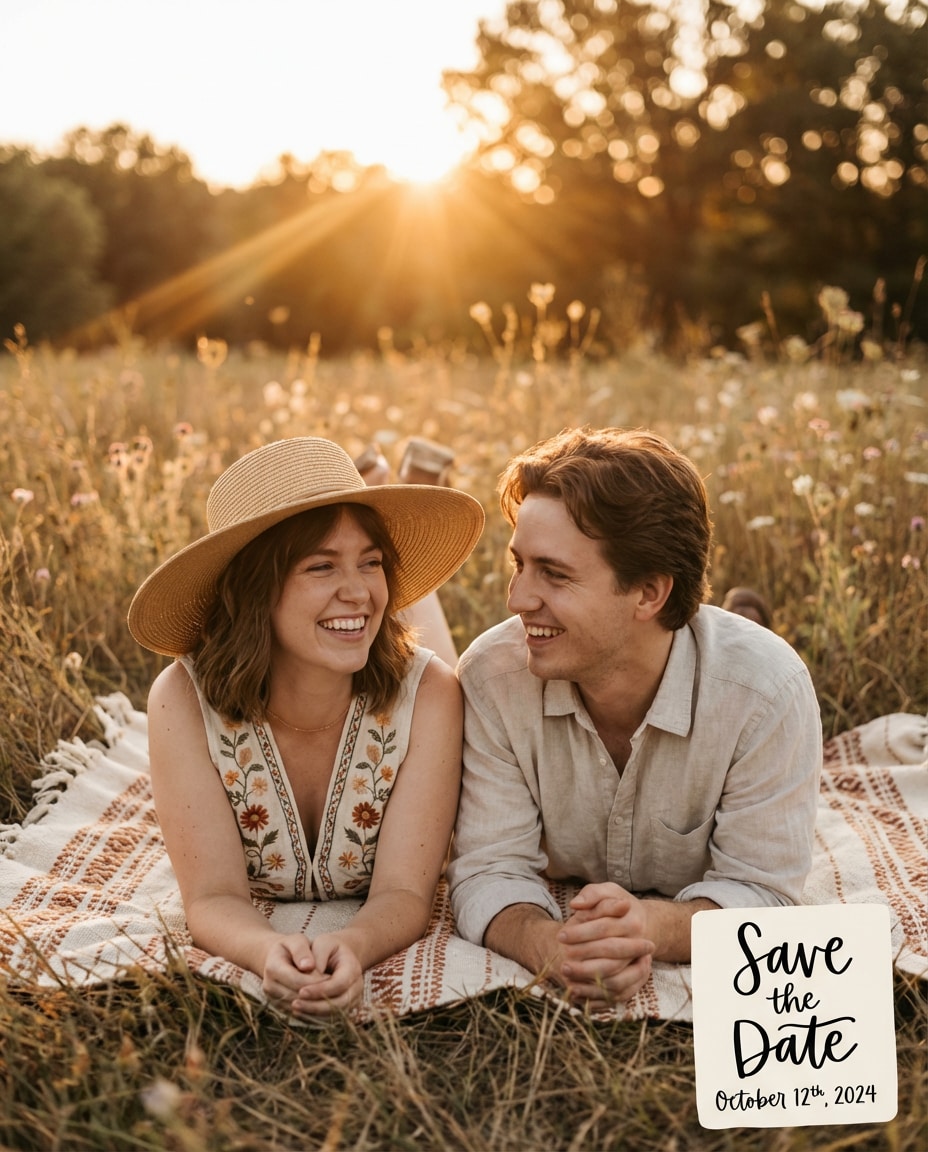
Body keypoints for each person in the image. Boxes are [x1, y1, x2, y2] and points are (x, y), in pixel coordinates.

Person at [446, 427, 822, 1009]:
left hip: (738, 672)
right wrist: (552, 945)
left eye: (554, 573)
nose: (517, 598)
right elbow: (487, 870)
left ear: (648, 593)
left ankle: (743, 617)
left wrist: (650, 927)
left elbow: (765, 895)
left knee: (748, 668)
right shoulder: (492, 679)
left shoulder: (768, 693)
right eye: (519, 564)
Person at [128, 437, 484, 1018]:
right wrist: (268, 951)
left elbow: (404, 892)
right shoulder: (182, 700)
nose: (360, 590)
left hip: (410, 679)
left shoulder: (432, 695)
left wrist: (351, 945)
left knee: (445, 666)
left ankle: (385, 478)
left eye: (372, 561)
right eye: (321, 565)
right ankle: (379, 475)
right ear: (254, 590)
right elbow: (213, 896)